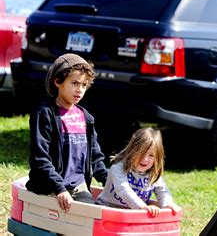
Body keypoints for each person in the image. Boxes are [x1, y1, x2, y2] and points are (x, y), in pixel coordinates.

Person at [26, 53, 108, 212]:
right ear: (58, 82)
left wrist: (109, 181)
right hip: (49, 189)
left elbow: (95, 157)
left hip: (79, 188)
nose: (80, 90)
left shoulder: (86, 118)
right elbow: (39, 157)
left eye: (84, 85)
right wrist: (59, 189)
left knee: (93, 219)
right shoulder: (44, 114)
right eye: (75, 83)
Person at [96, 127, 181, 216]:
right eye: (141, 152)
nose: (145, 159)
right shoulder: (118, 168)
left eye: (151, 155)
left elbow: (162, 191)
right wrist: (143, 207)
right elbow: (123, 189)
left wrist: (168, 204)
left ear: (157, 158)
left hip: (133, 215)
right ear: (132, 151)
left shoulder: (153, 174)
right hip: (106, 211)